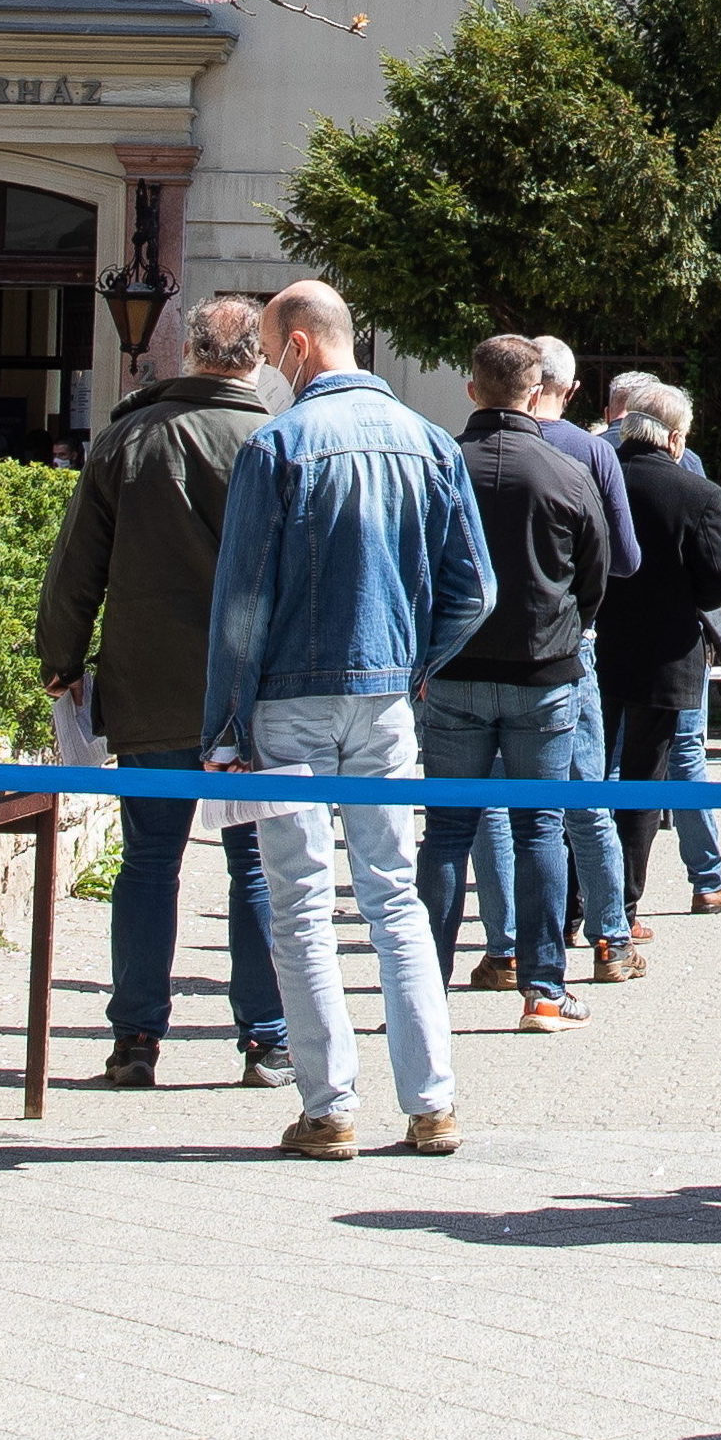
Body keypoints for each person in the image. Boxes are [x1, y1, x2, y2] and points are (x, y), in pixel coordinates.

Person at [203, 281, 494, 1160]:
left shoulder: (278, 443)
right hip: (384, 698)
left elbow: (242, 604)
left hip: (289, 697)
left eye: (266, 349)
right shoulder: (429, 441)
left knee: (298, 904)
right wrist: (413, 665)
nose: (266, 371)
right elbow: (473, 589)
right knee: (394, 898)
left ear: (296, 345)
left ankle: (329, 1107)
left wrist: (225, 723)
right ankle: (431, 1101)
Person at [35, 290, 289, 1091]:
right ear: (253, 359)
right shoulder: (275, 440)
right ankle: (266, 1039)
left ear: (189, 355)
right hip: (253, 690)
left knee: (148, 861)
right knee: (254, 863)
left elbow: (76, 562)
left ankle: (135, 1037)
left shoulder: (126, 438)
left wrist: (61, 658)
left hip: (148, 681)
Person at [423, 333, 613, 1035]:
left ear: (472, 390)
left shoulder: (440, 465)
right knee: (539, 828)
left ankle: (425, 987)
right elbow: (594, 579)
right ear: (537, 392)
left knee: (446, 831)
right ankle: (541, 988)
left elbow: (415, 566)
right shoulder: (566, 471)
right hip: (544, 672)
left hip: (454, 672)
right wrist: (566, 628)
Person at [518, 338, 649, 982]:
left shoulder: (462, 451)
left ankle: (506, 946)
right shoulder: (591, 452)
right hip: (568, 645)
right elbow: (623, 558)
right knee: (585, 798)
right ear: (566, 390)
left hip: (479, 652)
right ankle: (611, 939)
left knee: (490, 808)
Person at [599, 373, 721, 920]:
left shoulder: (595, 476)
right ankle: (624, 912)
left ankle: (575, 908)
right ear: (677, 438)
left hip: (598, 647)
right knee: (645, 781)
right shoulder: (698, 491)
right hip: (666, 655)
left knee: (589, 774)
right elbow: (718, 585)